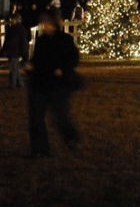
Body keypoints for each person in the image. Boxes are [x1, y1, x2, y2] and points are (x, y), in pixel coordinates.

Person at [27, 11, 81, 157]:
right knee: (36, 117)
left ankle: (72, 138)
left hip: (58, 84)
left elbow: (74, 58)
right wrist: (31, 66)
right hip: (40, 83)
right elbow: (36, 59)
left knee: (61, 115)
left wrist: (63, 69)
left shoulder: (64, 39)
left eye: (46, 22)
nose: (44, 25)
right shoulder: (42, 40)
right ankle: (40, 149)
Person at [2, 13, 30, 88]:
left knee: (13, 69)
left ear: (16, 20)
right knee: (15, 68)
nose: (11, 20)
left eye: (12, 19)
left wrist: (24, 53)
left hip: (15, 51)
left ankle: (13, 84)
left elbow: (22, 42)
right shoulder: (18, 29)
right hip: (13, 51)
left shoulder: (18, 29)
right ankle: (19, 83)